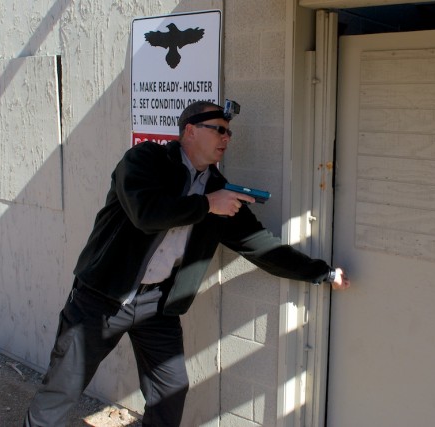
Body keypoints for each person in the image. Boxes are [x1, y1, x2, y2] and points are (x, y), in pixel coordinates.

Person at [23, 101, 350, 426]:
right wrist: (208, 205)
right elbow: (146, 214)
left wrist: (322, 272)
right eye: (219, 129)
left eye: (229, 132)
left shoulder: (218, 190)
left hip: (157, 306)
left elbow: (261, 247)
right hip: (100, 298)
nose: (227, 138)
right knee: (62, 390)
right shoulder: (145, 160)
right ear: (190, 130)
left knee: (170, 390)